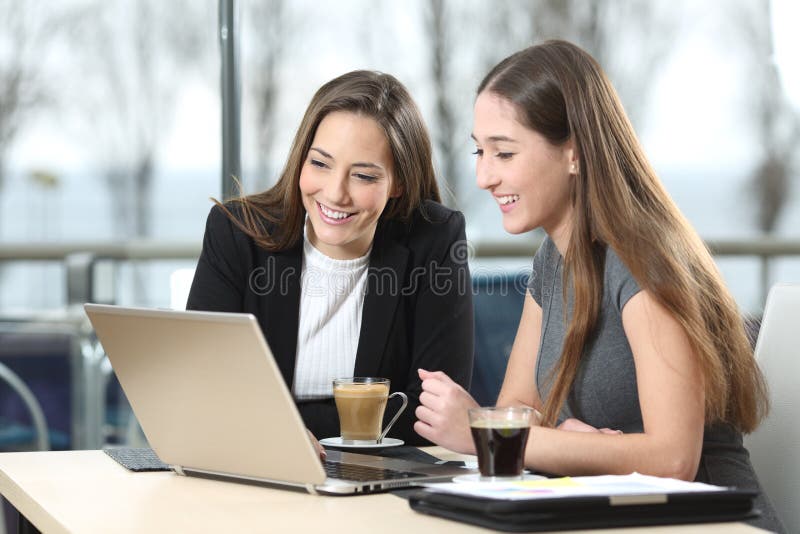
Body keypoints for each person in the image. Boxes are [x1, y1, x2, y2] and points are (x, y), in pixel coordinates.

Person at [414, 40, 783, 532]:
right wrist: (576, 445)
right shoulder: (554, 258)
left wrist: (486, 433)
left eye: (503, 152)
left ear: (574, 153)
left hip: (712, 522)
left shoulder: (644, 260)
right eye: (480, 151)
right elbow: (520, 407)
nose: (483, 176)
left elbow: (674, 458)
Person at [187, 70, 473, 447]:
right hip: (260, 471)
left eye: (364, 176)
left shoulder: (434, 241)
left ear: (398, 182)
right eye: (320, 164)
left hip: (380, 481)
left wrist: (276, 422)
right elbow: (202, 391)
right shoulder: (236, 233)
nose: (336, 194)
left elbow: (430, 415)